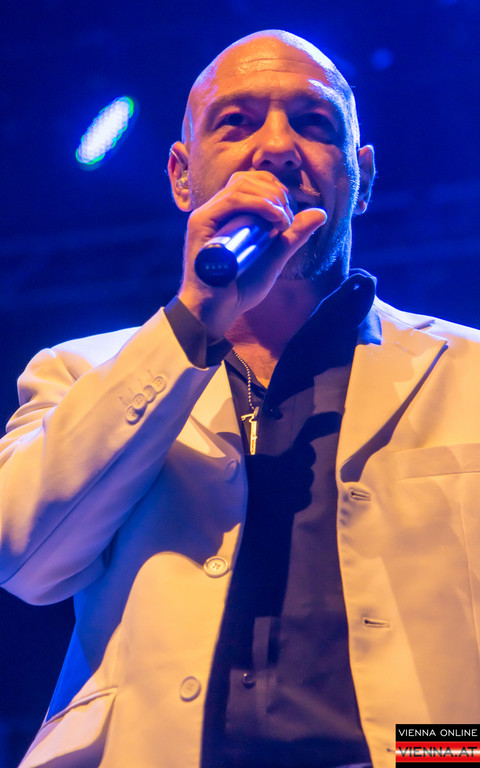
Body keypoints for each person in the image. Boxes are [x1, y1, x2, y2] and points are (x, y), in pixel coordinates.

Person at [1, 28, 480, 768]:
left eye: (313, 123)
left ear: (361, 177)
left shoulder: (468, 374)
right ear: (181, 176)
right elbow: (25, 560)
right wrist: (193, 320)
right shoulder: (79, 372)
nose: (277, 147)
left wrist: (453, 751)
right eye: (237, 122)